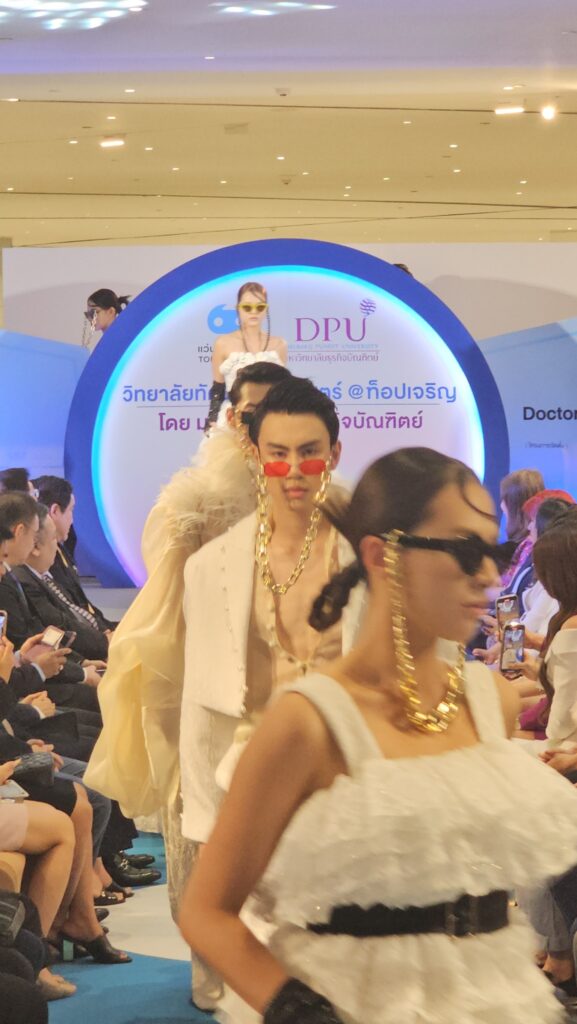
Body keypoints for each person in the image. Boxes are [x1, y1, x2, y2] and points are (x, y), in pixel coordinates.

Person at [179, 446, 577, 1024]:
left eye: (491, 552)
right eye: (465, 551)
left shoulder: (491, 701)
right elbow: (207, 909)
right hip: (358, 1002)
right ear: (381, 554)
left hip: (497, 999)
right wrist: (300, 1011)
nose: (489, 576)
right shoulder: (308, 722)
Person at [179, 376, 365, 1007]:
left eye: (309, 453)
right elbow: (200, 706)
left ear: (334, 453)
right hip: (254, 791)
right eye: (278, 454)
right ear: (256, 456)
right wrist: (205, 823)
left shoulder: (374, 562)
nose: (294, 471)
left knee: (359, 966)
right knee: (270, 971)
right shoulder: (211, 568)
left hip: (358, 789)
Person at [33, 475, 115, 631]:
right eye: (71, 510)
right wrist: (103, 637)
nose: (72, 519)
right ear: (55, 511)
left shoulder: (61, 550)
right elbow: (66, 614)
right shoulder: (43, 563)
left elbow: (82, 605)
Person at [205, 281, 288, 430]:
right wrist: (212, 419)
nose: (253, 312)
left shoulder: (279, 345)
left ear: (266, 309)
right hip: (233, 420)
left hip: (270, 419)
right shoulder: (223, 343)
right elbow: (218, 389)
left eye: (260, 307)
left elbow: (282, 389)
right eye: (247, 307)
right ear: (238, 308)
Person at [499, 468, 544, 587]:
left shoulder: (529, 547)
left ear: (514, 504)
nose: (501, 505)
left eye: (504, 499)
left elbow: (513, 593)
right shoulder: (530, 545)